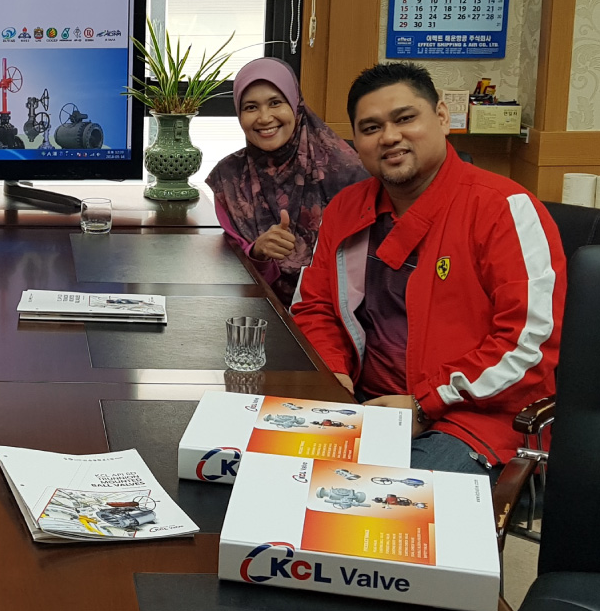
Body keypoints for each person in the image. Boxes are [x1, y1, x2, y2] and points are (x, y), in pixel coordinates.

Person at [291, 62, 565, 477]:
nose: (389, 137)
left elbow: (527, 345)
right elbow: (315, 308)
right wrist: (333, 377)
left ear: (441, 116)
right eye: (370, 128)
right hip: (367, 405)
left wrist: (424, 403)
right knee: (263, 471)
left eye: (405, 118)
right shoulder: (345, 209)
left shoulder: (504, 209)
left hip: (475, 421)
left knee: (376, 504)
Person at [206, 57, 368, 304]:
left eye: (275, 103)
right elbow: (231, 268)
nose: (264, 118)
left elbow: (366, 263)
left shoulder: (346, 171)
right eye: (251, 107)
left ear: (295, 104)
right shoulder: (230, 179)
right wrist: (258, 252)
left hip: (338, 310)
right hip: (258, 308)